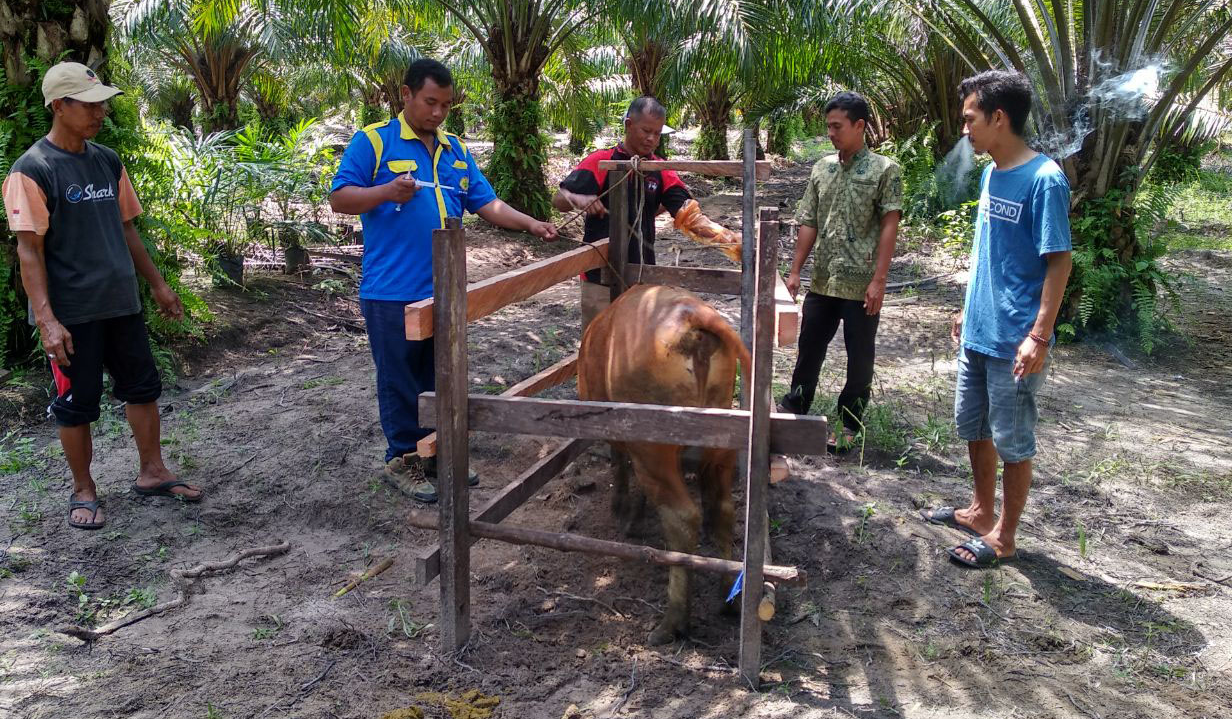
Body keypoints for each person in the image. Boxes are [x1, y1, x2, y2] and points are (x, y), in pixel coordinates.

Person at [329, 58, 557, 503]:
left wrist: (533, 224)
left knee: (442, 375)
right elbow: (340, 198)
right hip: (391, 291)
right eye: (430, 102)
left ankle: (438, 453)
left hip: (446, 291)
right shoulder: (374, 142)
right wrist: (385, 192)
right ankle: (404, 460)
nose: (437, 113)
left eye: (446, 105)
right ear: (407, 94)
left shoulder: (456, 151)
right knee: (400, 378)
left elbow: (487, 204)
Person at [2, 62, 201, 531]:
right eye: (88, 105)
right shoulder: (32, 170)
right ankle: (83, 489)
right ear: (58, 106)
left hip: (121, 302)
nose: (99, 113)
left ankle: (152, 472)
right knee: (76, 401)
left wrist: (157, 284)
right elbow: (28, 252)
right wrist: (47, 320)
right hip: (72, 314)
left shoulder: (107, 160)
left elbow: (127, 228)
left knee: (142, 386)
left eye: (102, 104)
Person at [920, 70, 1072, 569]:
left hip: (1016, 340)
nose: (964, 129)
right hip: (980, 330)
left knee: (1012, 439)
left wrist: (1039, 336)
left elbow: (1058, 260)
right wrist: (967, 310)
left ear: (998, 117)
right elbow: (989, 252)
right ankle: (981, 511)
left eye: (970, 118)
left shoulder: (1045, 180)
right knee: (975, 427)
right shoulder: (991, 174)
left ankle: (1004, 536)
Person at [554, 95, 741, 330]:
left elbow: (689, 215)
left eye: (657, 133)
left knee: (637, 353)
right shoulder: (601, 161)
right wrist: (577, 198)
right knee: (600, 350)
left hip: (642, 275)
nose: (652, 138)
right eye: (646, 131)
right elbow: (559, 200)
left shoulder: (660, 170)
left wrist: (731, 243)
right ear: (628, 125)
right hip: (598, 276)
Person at [781, 92, 902, 450]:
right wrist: (795, 270)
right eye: (828, 126)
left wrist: (879, 280)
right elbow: (809, 221)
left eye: (837, 126)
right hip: (823, 279)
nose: (831, 133)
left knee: (860, 355)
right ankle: (795, 406)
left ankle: (849, 424)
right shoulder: (822, 169)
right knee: (809, 347)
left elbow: (889, 226)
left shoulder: (884, 170)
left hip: (862, 283)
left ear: (860, 126)